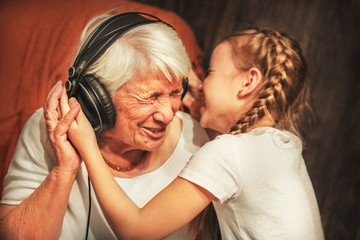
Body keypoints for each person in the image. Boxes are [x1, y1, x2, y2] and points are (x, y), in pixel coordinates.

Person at [57, 27, 325, 239]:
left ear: (248, 82)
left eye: (209, 72)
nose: (199, 84)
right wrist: (204, 99)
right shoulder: (281, 145)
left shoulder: (229, 153)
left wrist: (89, 146)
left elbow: (137, 230)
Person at [0, 12, 218, 239]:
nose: (167, 115)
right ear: (95, 97)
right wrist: (63, 169)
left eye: (175, 93)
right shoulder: (51, 128)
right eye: (150, 97)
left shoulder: (195, 139)